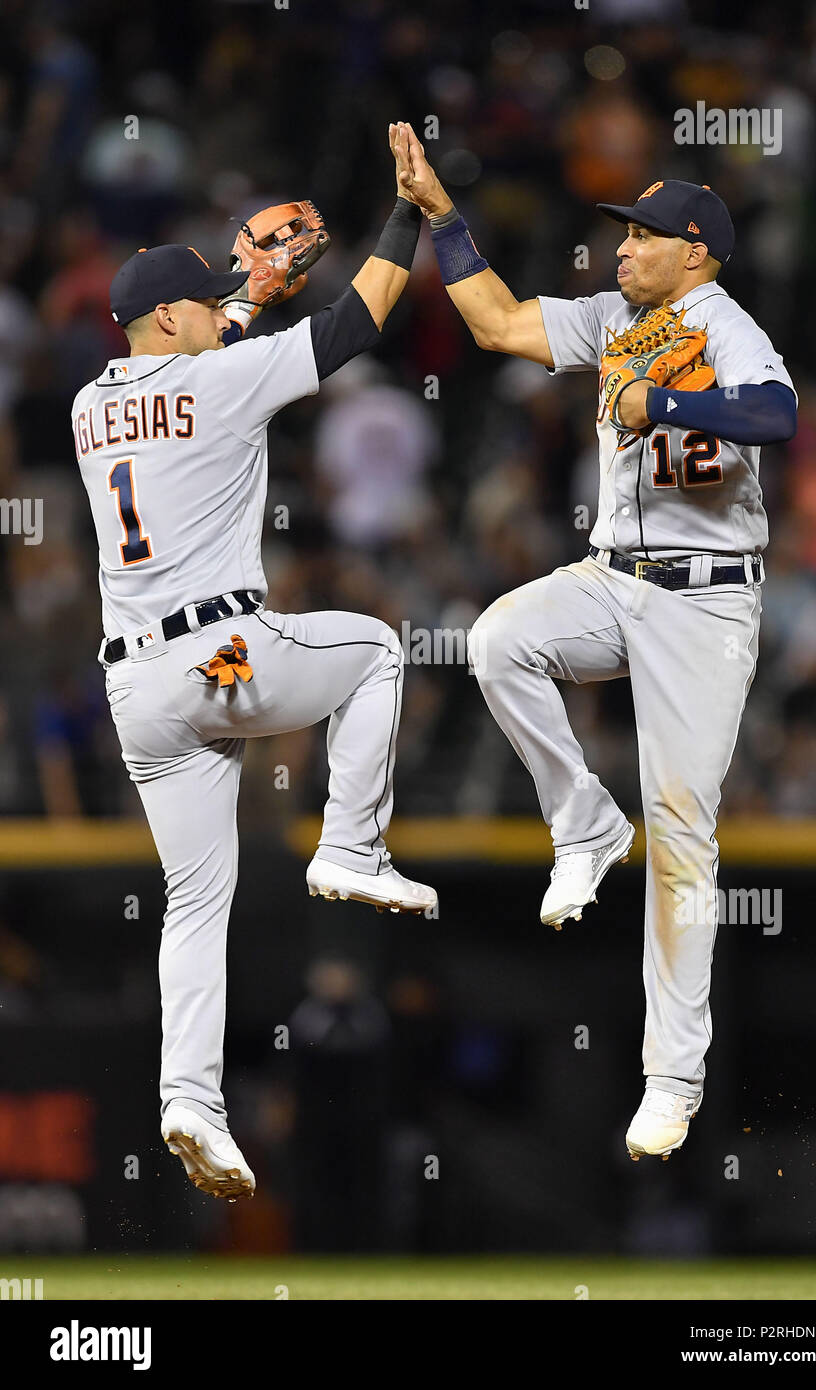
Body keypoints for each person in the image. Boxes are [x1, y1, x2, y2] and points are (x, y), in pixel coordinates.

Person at [390, 121, 797, 1160]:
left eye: (644, 235)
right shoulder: (619, 316)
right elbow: (491, 325)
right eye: (622, 233)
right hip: (613, 576)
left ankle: (672, 1080)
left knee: (683, 835)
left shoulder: (719, 319)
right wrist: (443, 217)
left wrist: (659, 396)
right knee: (495, 641)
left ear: (694, 250)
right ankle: (580, 822)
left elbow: (775, 413)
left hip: (705, 605)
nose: (622, 247)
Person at [71, 153, 437, 1201]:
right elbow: (358, 321)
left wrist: (231, 295)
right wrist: (403, 217)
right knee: (374, 650)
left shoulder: (94, 405)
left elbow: (189, 343)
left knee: (197, 899)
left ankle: (188, 1097)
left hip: (135, 693)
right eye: (198, 301)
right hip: (219, 656)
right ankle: (352, 846)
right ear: (178, 316)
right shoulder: (221, 377)